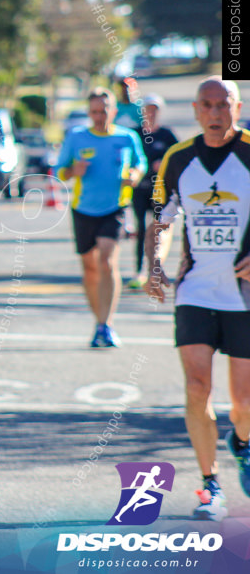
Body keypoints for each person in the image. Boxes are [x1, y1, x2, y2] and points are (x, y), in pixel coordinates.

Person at [146, 76, 250, 521]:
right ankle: (210, 485)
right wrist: (155, 263)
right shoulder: (178, 158)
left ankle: (243, 443)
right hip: (195, 291)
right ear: (194, 110)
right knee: (196, 388)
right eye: (206, 105)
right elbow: (161, 220)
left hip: (244, 295)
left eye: (222, 105)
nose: (215, 113)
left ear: (237, 109)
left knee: (244, 404)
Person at [57, 87, 146, 348]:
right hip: (83, 208)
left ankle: (107, 324)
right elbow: (59, 171)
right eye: (94, 111)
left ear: (114, 110)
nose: (99, 115)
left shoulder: (127, 137)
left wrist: (136, 175)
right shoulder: (76, 137)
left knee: (107, 261)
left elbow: (140, 162)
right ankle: (98, 322)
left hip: (115, 207)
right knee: (90, 268)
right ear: (89, 112)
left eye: (104, 110)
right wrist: (73, 170)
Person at [127, 93, 178, 289]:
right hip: (139, 190)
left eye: (155, 110)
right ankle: (139, 270)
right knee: (141, 229)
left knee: (158, 229)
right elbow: (129, 159)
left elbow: (178, 159)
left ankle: (155, 269)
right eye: (148, 109)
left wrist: (163, 164)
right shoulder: (135, 134)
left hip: (160, 191)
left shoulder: (167, 135)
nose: (151, 113)